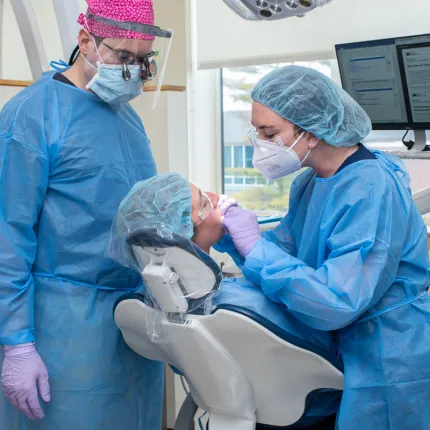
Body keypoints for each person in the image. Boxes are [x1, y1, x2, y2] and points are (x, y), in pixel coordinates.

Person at [216, 65, 430, 429]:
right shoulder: (310, 182)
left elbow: (338, 299)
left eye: (270, 133)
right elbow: (286, 251)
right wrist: (230, 235)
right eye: (257, 133)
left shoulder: (370, 187)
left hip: (388, 352)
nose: (261, 145)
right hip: (340, 345)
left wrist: (253, 248)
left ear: (312, 131)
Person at [0, 1, 172, 428]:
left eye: (143, 61)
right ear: (85, 41)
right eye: (123, 57)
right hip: (64, 331)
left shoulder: (126, 117)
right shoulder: (32, 115)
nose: (134, 70)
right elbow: (8, 233)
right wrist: (16, 342)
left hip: (132, 322)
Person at [110, 172, 342, 429]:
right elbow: (328, 323)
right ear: (185, 229)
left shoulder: (164, 306)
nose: (214, 197)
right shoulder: (241, 307)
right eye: (203, 201)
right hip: (310, 412)